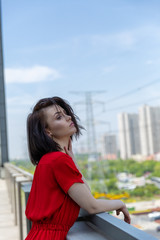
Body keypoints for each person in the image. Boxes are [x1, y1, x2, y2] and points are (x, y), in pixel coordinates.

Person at [25, 96, 131, 240]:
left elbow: (84, 194)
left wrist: (72, 162)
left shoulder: (48, 160)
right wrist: (120, 203)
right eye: (59, 117)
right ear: (47, 131)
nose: (69, 117)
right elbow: (91, 205)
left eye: (66, 113)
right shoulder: (58, 161)